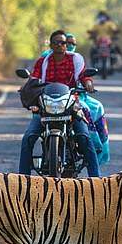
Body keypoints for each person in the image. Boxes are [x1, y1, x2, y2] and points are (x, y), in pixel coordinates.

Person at [19, 29, 100, 177]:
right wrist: (27, 85)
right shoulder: (43, 62)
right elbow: (34, 78)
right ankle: (22, 179)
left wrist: (88, 82)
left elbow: (82, 75)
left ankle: (96, 179)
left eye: (63, 43)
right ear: (50, 45)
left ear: (66, 45)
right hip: (46, 105)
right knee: (29, 137)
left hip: (71, 104)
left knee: (84, 136)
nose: (60, 45)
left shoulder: (75, 59)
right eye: (56, 43)